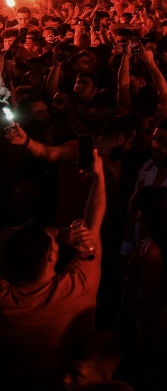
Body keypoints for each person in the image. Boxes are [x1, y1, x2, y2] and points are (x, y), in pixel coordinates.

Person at [0, 146, 105, 387]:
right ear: (51, 259)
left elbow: (5, 235)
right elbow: (94, 225)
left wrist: (57, 235)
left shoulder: (4, 302)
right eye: (53, 245)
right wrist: (98, 178)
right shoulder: (78, 286)